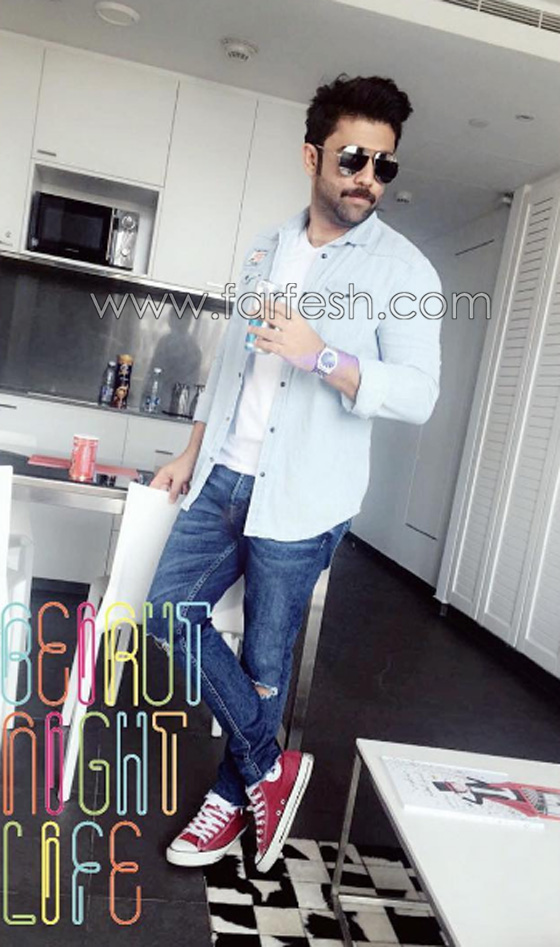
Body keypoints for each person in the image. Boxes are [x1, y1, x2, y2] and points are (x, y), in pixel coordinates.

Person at [147, 74, 443, 874]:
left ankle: (230, 795)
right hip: (224, 477)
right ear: (313, 156)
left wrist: (324, 356)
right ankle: (268, 766)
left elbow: (418, 393)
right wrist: (191, 451)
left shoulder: (405, 272)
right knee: (166, 613)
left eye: (384, 165)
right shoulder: (265, 248)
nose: (368, 179)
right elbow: (229, 367)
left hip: (306, 494)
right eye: (352, 159)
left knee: (265, 666)